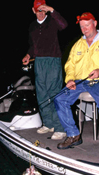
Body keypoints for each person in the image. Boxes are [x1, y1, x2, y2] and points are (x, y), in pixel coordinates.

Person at [54, 12, 99, 150]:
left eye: (87, 25)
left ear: (95, 23)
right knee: (59, 99)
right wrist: (70, 79)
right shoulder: (78, 45)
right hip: (80, 82)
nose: (84, 29)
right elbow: (70, 65)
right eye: (81, 26)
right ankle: (73, 135)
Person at [22, 0, 68, 140]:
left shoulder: (53, 21)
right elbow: (33, 45)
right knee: (42, 93)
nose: (40, 13)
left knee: (54, 93)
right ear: (33, 10)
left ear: (46, 10)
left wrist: (52, 10)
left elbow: (64, 25)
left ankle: (60, 128)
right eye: (38, 10)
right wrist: (28, 55)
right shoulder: (32, 26)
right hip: (39, 62)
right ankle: (48, 124)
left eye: (43, 10)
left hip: (53, 60)